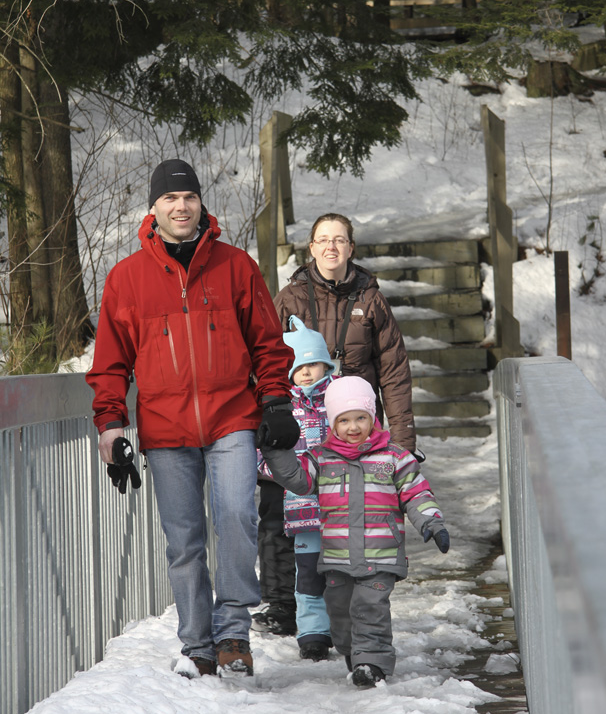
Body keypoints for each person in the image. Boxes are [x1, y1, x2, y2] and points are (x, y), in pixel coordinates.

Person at [86, 159, 299, 679]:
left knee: (237, 519)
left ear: (201, 203)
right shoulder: (127, 278)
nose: (181, 207)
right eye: (170, 199)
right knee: (184, 541)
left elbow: (268, 343)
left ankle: (233, 633)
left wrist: (275, 400)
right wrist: (110, 424)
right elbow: (110, 362)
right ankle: (198, 645)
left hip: (232, 419)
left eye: (189, 198)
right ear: (154, 208)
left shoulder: (235, 266)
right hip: (165, 429)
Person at [254, 212, 416, 638]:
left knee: (347, 521)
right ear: (311, 248)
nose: (331, 246)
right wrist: (265, 423)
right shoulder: (289, 298)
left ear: (350, 247)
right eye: (323, 239)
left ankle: (342, 609)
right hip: (293, 423)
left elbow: (394, 374)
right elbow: (263, 358)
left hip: (352, 435)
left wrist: (401, 443)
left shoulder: (372, 300)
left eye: (339, 239)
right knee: (277, 512)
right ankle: (281, 605)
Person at [259, 376, 450, 688]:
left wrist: (432, 522)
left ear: (372, 417)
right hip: (337, 555)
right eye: (344, 420)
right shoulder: (321, 458)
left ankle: (372, 661)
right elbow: (296, 478)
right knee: (340, 611)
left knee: (370, 608)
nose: (353, 427)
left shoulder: (393, 457)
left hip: (381, 553)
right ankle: (354, 653)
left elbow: (416, 493)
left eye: (361, 418)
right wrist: (275, 449)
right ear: (333, 423)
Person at [258, 316, 336, 661]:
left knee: (341, 569)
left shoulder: (341, 399)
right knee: (307, 570)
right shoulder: (281, 407)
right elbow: (261, 450)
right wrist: (276, 472)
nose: (305, 373)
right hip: (300, 506)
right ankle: (313, 631)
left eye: (312, 364)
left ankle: (344, 626)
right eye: (297, 367)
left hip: (340, 505)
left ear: (326, 365)